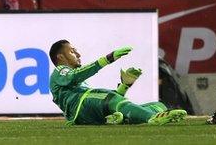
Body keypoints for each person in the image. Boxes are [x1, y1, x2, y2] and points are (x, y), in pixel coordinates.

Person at [49, 39, 187, 125]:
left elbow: (108, 101)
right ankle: (153, 118)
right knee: (110, 98)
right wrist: (107, 59)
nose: (78, 54)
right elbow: (75, 77)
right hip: (79, 110)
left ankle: (116, 119)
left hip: (86, 112)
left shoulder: (73, 84)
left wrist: (125, 85)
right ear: (60, 57)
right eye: (72, 51)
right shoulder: (60, 71)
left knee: (158, 104)